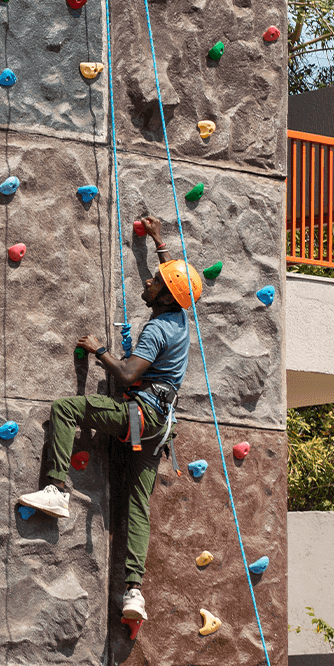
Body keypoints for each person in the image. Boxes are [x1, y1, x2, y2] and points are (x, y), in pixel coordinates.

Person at [15, 215, 203, 622]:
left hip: (141, 412)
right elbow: (174, 281)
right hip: (160, 426)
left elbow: (129, 374)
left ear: (166, 297)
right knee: (138, 504)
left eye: (156, 282)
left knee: (65, 409)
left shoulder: (157, 330)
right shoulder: (178, 317)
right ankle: (134, 592)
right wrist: (158, 241)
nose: (149, 282)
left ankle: (56, 490)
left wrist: (99, 350)